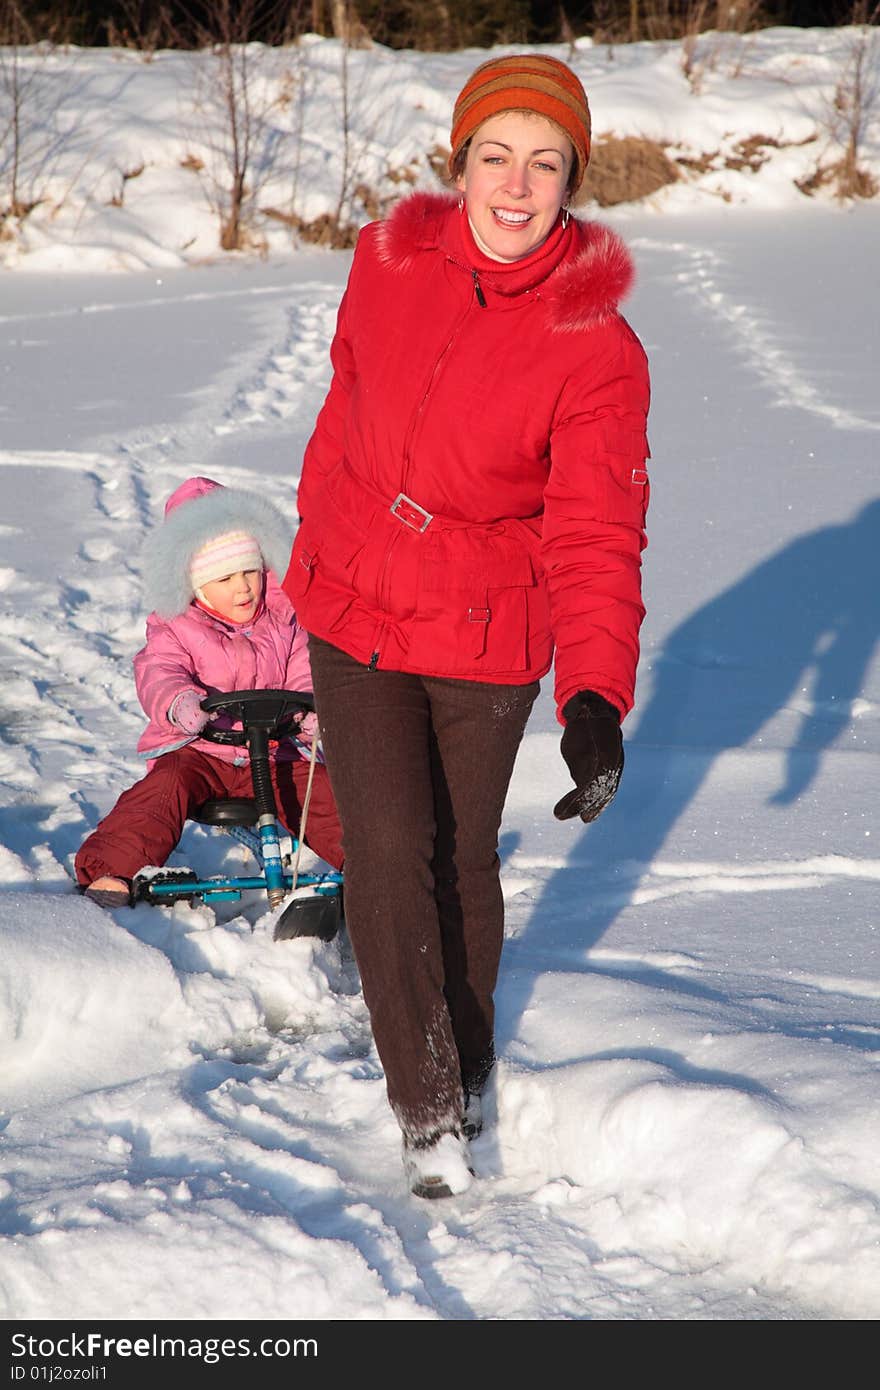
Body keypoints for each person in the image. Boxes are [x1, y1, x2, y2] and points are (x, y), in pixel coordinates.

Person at [283, 54, 651, 1199]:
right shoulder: (386, 261)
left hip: (489, 625)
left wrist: (594, 692)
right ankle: (430, 1106)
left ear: (571, 181)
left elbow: (597, 532)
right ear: (459, 162)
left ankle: (475, 1060)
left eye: (545, 162)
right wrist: (325, 521)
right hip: (353, 600)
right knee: (388, 851)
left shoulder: (596, 344)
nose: (516, 181)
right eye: (495, 153)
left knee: (460, 863)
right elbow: (342, 403)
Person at [75, 476, 344, 908]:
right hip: (202, 751)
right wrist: (179, 702)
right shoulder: (176, 627)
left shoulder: (284, 619)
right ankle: (110, 869)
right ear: (198, 587)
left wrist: (310, 712)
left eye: (250, 572)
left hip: (278, 752)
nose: (243, 588)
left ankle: (377, 872)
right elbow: (159, 670)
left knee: (331, 797)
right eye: (226, 579)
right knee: (162, 791)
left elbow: (305, 671)